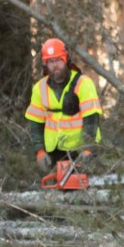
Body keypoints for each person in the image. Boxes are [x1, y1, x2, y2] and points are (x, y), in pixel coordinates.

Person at [25, 38, 103, 174]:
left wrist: (87, 148)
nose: (55, 65)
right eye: (50, 61)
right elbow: (36, 123)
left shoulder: (83, 84)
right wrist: (39, 150)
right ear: (45, 63)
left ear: (66, 59)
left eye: (58, 60)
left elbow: (91, 119)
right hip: (54, 152)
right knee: (56, 190)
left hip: (79, 150)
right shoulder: (39, 88)